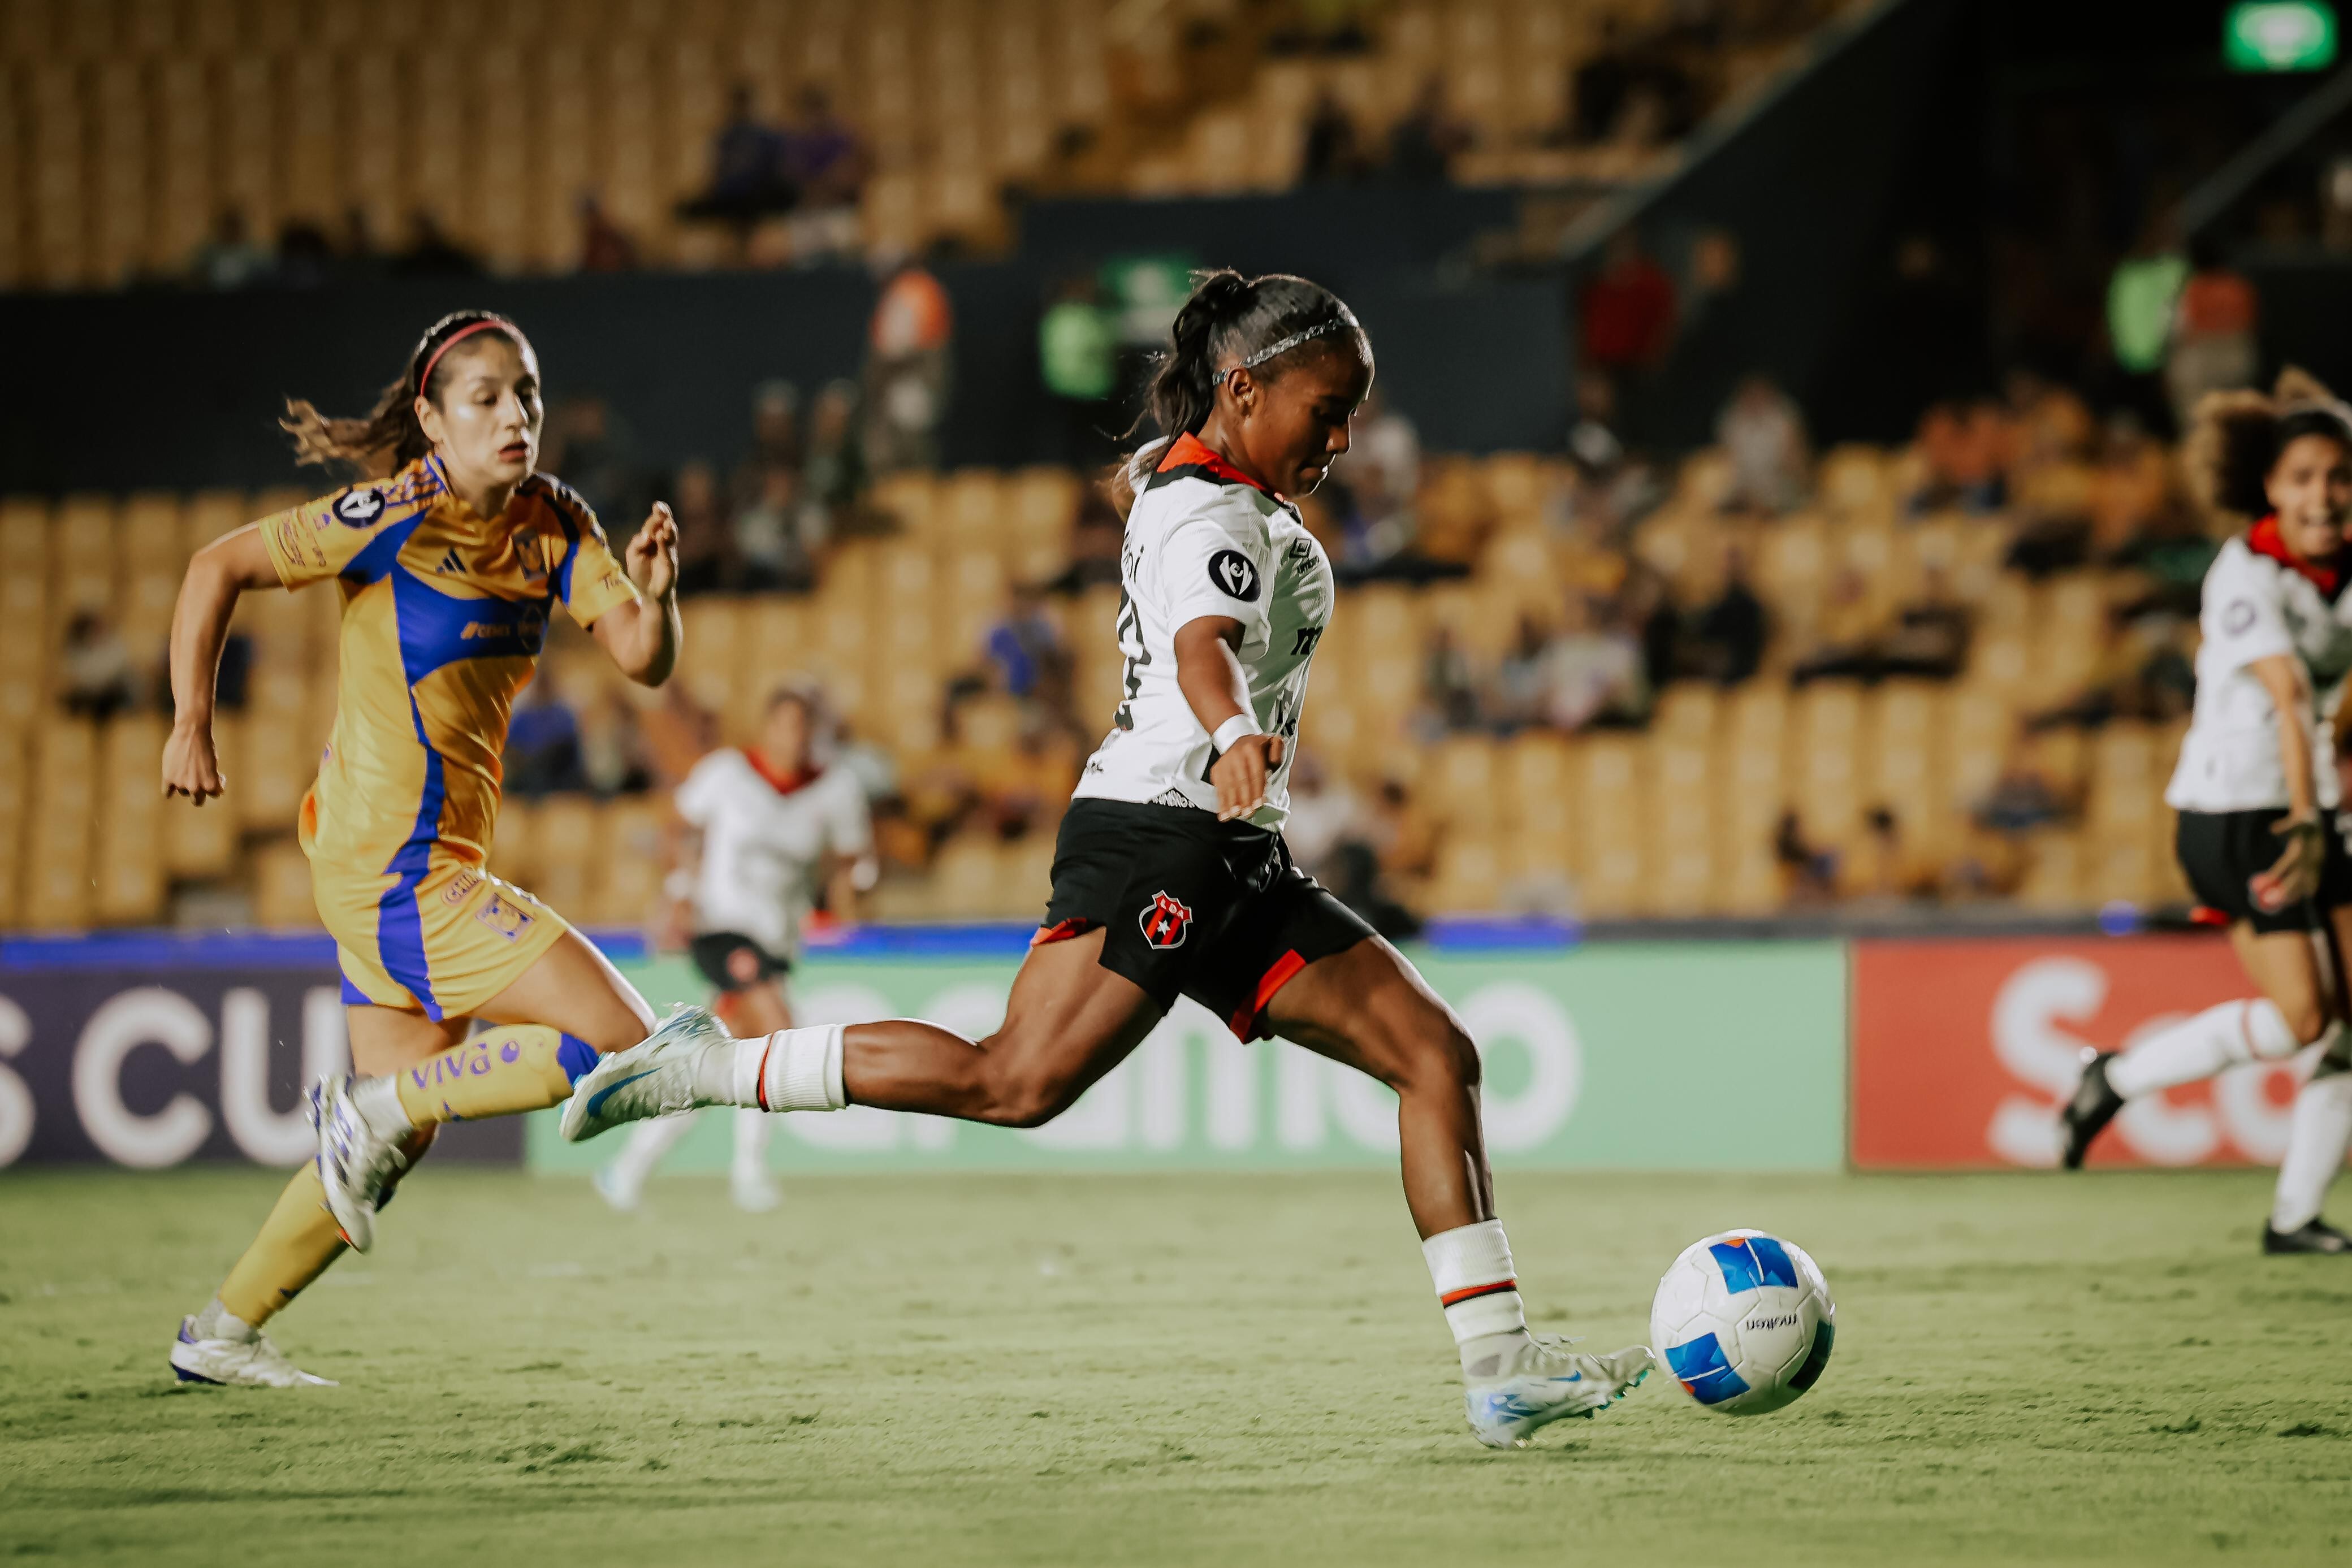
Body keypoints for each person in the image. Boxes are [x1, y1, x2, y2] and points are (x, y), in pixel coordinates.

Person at [560, 270, 1653, 1448]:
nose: (1342, 437)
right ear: (1242, 388)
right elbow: (1203, 650)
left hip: (1231, 849)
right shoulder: (1210, 512)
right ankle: (712, 1067)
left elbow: (1163, 526)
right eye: (1325, 409)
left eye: (1351, 414)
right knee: (1012, 1082)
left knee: (1436, 1055)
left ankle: (1499, 1365)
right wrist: (1234, 731)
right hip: (1162, 836)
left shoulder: (1194, 480)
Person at [158, 310, 684, 1386]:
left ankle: (221, 1329)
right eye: (485, 397)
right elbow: (217, 567)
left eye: (527, 393)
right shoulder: (389, 514)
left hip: (407, 858)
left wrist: (661, 599)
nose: (514, 415)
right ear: (434, 423)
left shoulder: (554, 522)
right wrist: (189, 720)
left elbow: (640, 657)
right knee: (625, 1041)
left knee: (395, 1139)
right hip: (395, 867)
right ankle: (371, 1109)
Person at [2060, 372, 2352, 1253]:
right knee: (2307, 1019)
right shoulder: (2243, 571)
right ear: (2268, 487)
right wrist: (2307, 818)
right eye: (2302, 477)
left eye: (2338, 476)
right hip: (2236, 813)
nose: (2323, 495)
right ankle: (2118, 1076)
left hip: (2316, 806)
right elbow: (2292, 691)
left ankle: (2296, 1215)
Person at [595, 685, 875, 1214]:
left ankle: (628, 1168)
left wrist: (844, 897)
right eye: (784, 725)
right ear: (766, 728)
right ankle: (749, 1171)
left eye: (802, 727)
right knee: (777, 1027)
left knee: (721, 1060)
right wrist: (679, 893)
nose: (792, 737)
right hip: (721, 928)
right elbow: (677, 825)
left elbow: (852, 857)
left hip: (776, 942)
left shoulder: (835, 790)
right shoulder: (727, 773)